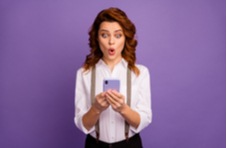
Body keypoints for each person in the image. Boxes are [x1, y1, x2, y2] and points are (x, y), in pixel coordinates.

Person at [74, 7, 152, 148]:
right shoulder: (84, 73)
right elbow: (82, 124)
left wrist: (123, 109)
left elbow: (144, 120)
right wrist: (96, 108)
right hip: (95, 145)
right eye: (104, 35)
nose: (111, 42)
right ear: (97, 38)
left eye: (117, 35)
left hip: (130, 145)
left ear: (125, 38)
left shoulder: (140, 72)